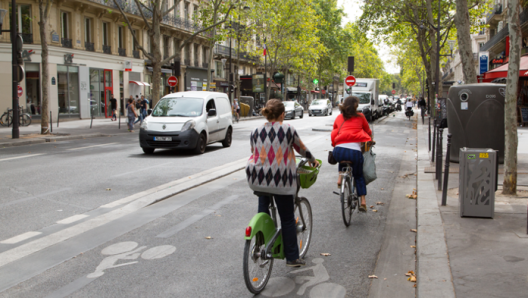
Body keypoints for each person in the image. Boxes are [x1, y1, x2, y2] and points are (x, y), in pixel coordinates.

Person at [246, 99, 319, 267]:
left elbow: (253, 151)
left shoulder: (255, 131)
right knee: (287, 218)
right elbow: (301, 149)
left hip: (258, 179)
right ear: (282, 115)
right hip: (281, 181)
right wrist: (311, 160)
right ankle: (292, 257)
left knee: (262, 212)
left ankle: (261, 241)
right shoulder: (288, 129)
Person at [331, 96, 372, 212]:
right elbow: (368, 131)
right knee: (358, 176)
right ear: (356, 106)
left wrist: (334, 144)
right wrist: (370, 139)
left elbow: (334, 132)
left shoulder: (339, 117)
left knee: (343, 159)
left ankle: (340, 177)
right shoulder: (361, 116)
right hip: (355, 152)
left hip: (338, 151)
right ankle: (363, 202)